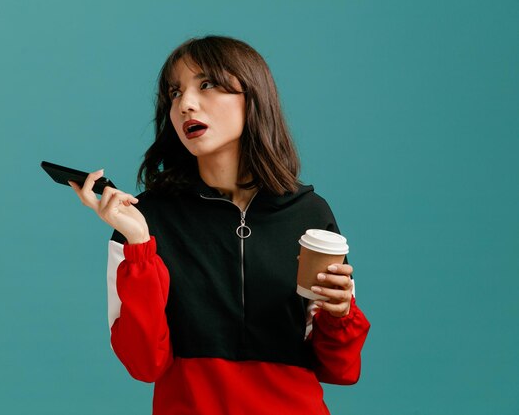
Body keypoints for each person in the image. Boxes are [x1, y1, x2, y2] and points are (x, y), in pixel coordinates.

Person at [69, 36, 370, 415]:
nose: (185, 104)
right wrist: (140, 244)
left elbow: (339, 369)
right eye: (174, 93)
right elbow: (144, 364)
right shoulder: (145, 220)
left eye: (207, 84)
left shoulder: (309, 214)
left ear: (253, 95)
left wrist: (340, 314)